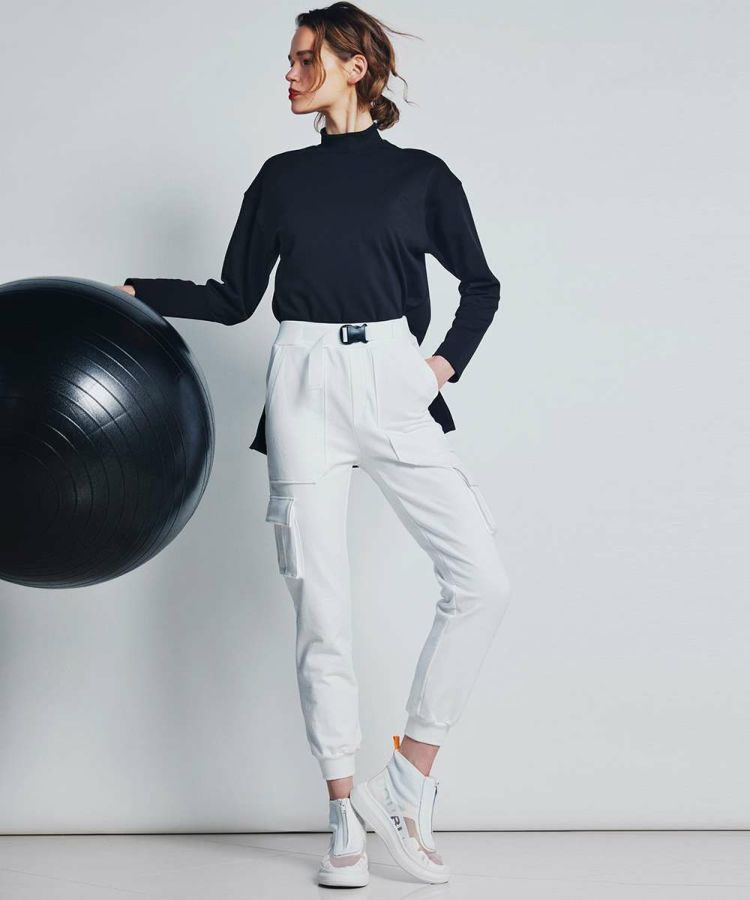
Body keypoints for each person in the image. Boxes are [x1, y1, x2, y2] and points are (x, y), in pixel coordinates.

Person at [116, 2, 512, 888]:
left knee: (483, 581)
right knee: (321, 610)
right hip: (303, 383)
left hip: (394, 377)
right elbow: (233, 299)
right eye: (291, 59)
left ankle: (404, 783)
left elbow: (481, 286)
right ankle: (342, 811)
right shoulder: (280, 179)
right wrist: (138, 292)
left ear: (355, 66)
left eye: (305, 59)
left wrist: (436, 368)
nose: (289, 74)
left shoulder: (421, 177)